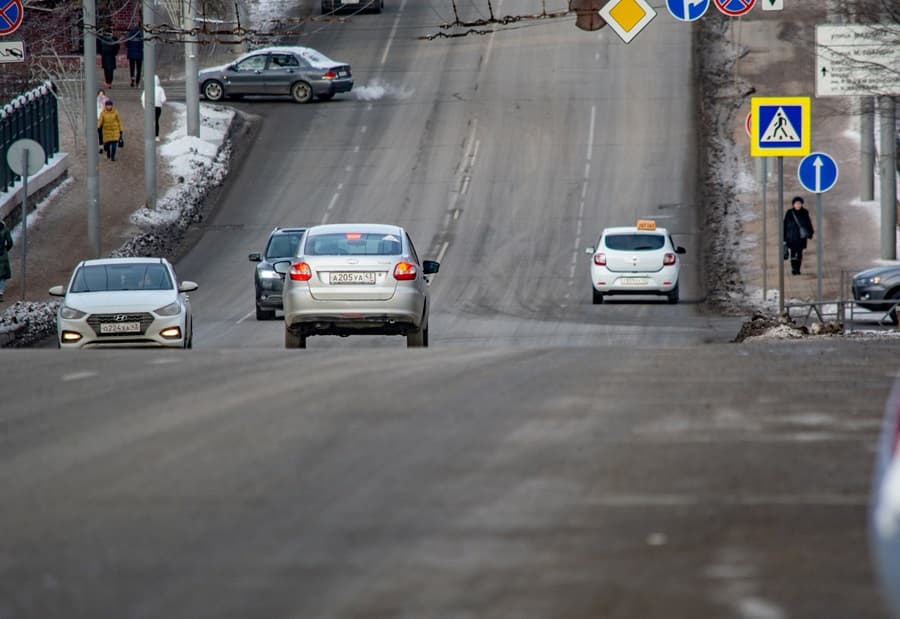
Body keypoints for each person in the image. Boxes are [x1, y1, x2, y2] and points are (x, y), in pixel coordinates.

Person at [783, 195, 814, 275]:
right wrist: (784, 237)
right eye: (796, 203)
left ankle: (798, 269)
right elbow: (785, 225)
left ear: (801, 204)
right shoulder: (789, 213)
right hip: (791, 236)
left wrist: (810, 233)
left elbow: (808, 223)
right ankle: (794, 269)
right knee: (793, 253)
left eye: (799, 203)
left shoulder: (804, 212)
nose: (798, 205)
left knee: (799, 253)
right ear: (793, 204)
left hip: (801, 237)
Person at [141, 75, 167, 142]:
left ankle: (149, 135)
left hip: (149, 107)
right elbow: (163, 100)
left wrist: (145, 107)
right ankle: (156, 136)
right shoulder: (160, 89)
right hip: (158, 107)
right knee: (156, 121)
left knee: (150, 121)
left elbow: (143, 99)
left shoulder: (147, 88)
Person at [0, 219, 12, 302]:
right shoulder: (4, 229)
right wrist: (5, 250)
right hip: (2, 254)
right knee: (2, 275)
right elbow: (10, 242)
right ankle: (0, 292)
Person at [96, 88, 109, 154]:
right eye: (100, 94)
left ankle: (106, 144)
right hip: (98, 119)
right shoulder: (95, 102)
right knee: (100, 133)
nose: (101, 96)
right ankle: (101, 147)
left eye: (102, 94)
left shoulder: (107, 101)